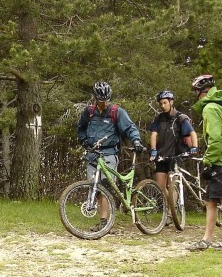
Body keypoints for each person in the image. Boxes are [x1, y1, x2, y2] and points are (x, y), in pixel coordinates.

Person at [76, 81, 146, 231]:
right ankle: (103, 220)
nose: (104, 103)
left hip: (109, 153)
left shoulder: (117, 112)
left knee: (105, 185)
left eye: (106, 100)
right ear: (95, 99)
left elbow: (130, 128)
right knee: (95, 187)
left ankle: (104, 220)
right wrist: (84, 141)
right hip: (92, 154)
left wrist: (136, 141)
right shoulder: (88, 112)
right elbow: (80, 127)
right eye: (101, 101)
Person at [188, 75, 222, 250]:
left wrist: (208, 160)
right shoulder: (217, 104)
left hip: (220, 160)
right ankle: (207, 239)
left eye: (196, 91)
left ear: (203, 91)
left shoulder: (210, 107)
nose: (196, 95)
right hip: (221, 159)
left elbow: (215, 138)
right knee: (211, 201)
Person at [148, 90, 199, 196]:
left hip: (175, 155)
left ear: (171, 102)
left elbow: (192, 133)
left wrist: (194, 147)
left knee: (172, 186)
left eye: (165, 103)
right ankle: (167, 208)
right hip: (161, 156)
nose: (162, 106)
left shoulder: (180, 118)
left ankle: (172, 212)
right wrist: (153, 150)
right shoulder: (159, 119)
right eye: (161, 103)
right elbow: (153, 134)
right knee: (160, 187)